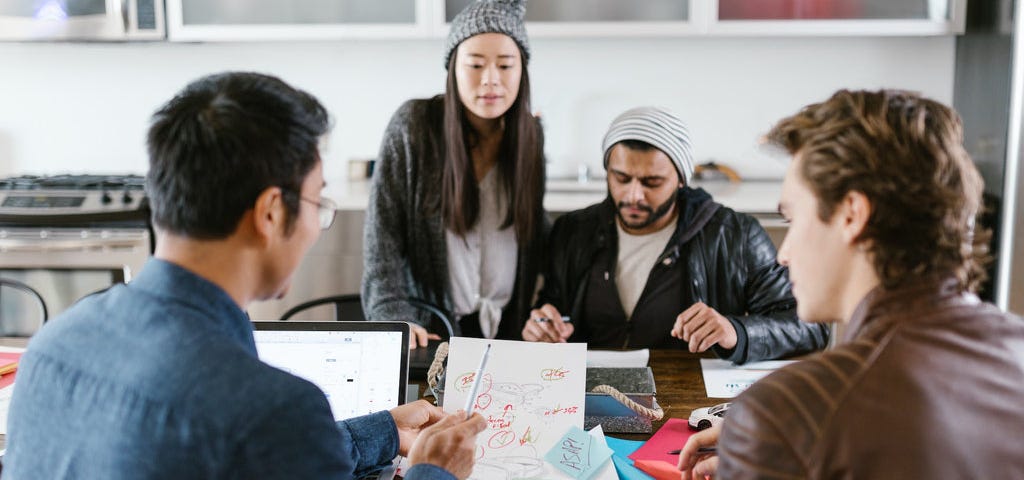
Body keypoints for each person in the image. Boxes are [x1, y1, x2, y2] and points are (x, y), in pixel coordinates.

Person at [3, 72, 486, 480]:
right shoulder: (274, 412)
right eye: (318, 203)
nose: (316, 229)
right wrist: (434, 471)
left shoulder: (53, 346)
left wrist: (382, 430)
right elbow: (260, 439)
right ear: (271, 213)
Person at [678, 89, 1024, 479]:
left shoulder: (784, 415)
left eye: (793, 220)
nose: (783, 254)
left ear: (851, 215)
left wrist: (770, 440)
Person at [523, 106, 829, 364]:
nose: (633, 195)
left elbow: (810, 327)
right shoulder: (573, 232)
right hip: (589, 398)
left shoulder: (734, 235)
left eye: (652, 182)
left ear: (681, 179)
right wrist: (541, 328)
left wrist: (736, 332)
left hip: (688, 407)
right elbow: (553, 309)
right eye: (621, 178)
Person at [362, 0, 546, 347]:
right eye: (475, 64)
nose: (491, 79)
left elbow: (535, 234)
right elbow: (382, 239)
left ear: (522, 71)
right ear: (453, 70)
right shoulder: (413, 126)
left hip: (508, 331)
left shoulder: (530, 136)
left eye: (506, 65)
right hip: (429, 332)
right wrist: (393, 316)